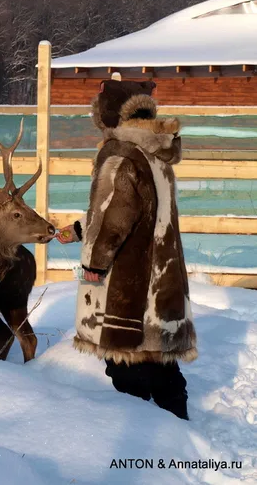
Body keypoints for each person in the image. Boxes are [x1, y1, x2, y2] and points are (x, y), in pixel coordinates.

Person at [56, 80, 196, 420]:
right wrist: (78, 230)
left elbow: (114, 223)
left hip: (127, 285)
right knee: (157, 363)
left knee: (126, 367)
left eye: (99, 122)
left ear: (110, 119)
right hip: (160, 278)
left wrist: (94, 265)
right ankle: (178, 427)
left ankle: (146, 439)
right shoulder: (154, 153)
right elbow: (138, 211)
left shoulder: (120, 157)